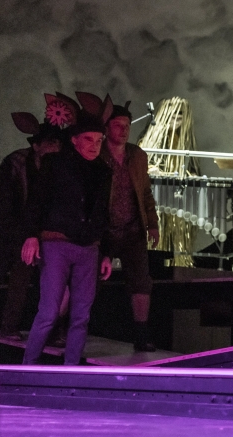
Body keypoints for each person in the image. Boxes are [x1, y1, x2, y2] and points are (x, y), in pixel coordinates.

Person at [21, 93, 115, 366]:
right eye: (88, 139)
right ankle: (27, 367)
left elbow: (103, 213)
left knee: (81, 315)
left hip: (88, 248)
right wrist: (31, 236)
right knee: (49, 311)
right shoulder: (56, 164)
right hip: (57, 243)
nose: (94, 146)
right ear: (74, 140)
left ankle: (71, 370)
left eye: (99, 141)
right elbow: (36, 201)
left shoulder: (102, 171)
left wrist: (107, 252)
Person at [0, 111, 61, 340]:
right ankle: (10, 325)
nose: (56, 147)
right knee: (22, 271)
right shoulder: (17, 163)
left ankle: (52, 329)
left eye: (58, 143)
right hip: (19, 227)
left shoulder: (61, 165)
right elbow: (3, 203)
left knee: (54, 279)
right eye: (51, 142)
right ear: (37, 145)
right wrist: (25, 234)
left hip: (50, 229)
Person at [100, 99, 160, 352]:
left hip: (133, 229)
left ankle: (141, 334)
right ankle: (64, 329)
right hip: (103, 230)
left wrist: (152, 224)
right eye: (118, 125)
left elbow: (145, 193)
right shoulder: (98, 154)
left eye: (127, 125)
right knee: (86, 281)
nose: (124, 130)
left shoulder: (137, 156)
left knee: (141, 282)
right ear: (107, 128)